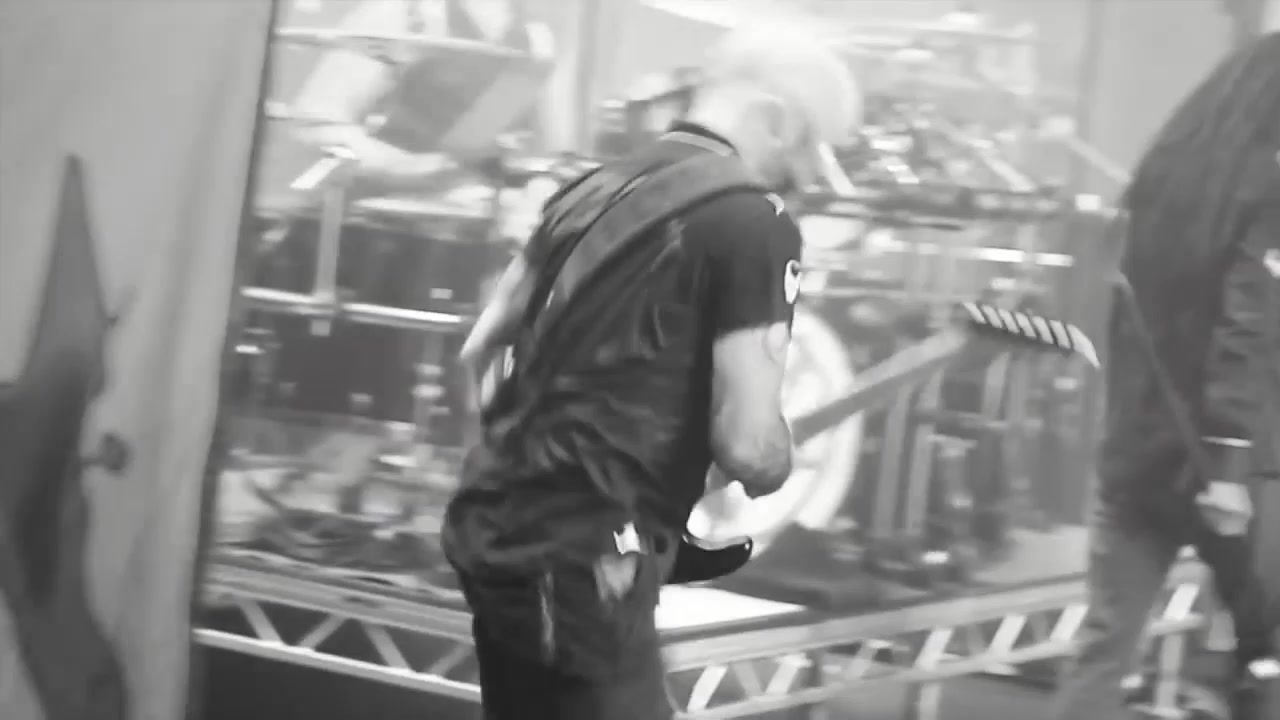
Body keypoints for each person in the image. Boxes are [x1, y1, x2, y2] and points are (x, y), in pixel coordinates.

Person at [440, 27, 861, 720]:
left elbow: (480, 353)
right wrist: (774, 461)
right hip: (589, 562)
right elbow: (750, 447)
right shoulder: (756, 222)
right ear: (778, 121)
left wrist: (531, 463)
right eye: (807, 154)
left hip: (497, 536)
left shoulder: (589, 189)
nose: (807, 180)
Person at [1051, 33, 1280, 720]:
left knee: (1104, 652)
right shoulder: (1268, 196)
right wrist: (1230, 467)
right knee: (1265, 657)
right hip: (1234, 473)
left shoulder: (1164, 185)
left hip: (1140, 451)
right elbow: (1248, 330)